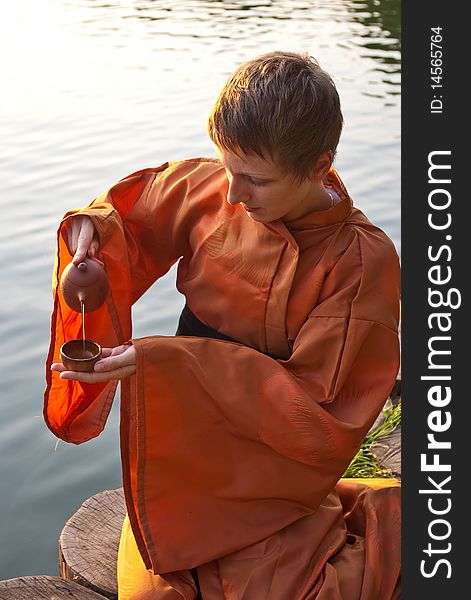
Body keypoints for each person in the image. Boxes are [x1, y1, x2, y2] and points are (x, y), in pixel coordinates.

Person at [45, 51, 401, 599]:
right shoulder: (214, 185)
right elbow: (132, 220)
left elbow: (322, 409)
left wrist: (170, 365)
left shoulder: (359, 261)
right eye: (227, 168)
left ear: (317, 165)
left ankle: (387, 525)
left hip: (271, 457)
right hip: (188, 439)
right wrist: (89, 241)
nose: (233, 194)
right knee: (156, 589)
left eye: (256, 180)